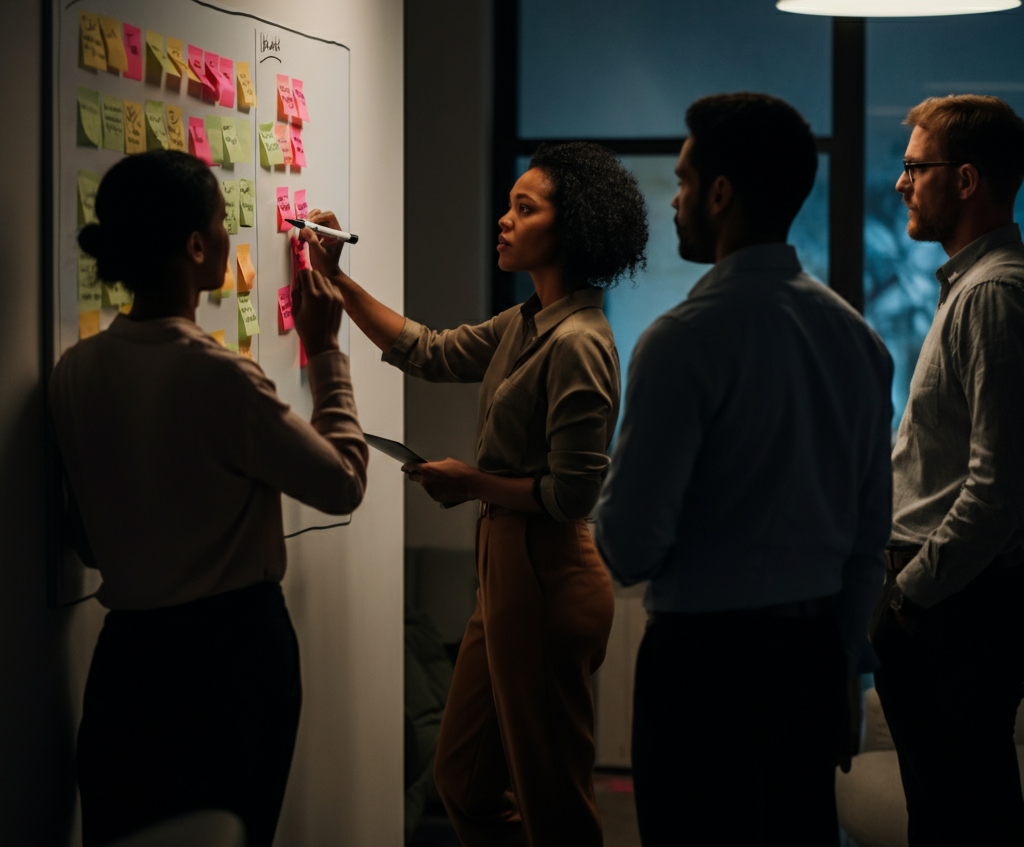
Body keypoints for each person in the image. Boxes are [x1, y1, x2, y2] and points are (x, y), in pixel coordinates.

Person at [300, 142, 648, 847]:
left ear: (571, 229)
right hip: (507, 577)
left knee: (556, 808)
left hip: (549, 577)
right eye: (508, 205)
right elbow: (429, 350)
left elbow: (576, 492)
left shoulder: (580, 341)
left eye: (525, 209)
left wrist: (471, 485)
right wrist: (334, 280)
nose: (504, 220)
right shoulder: (525, 322)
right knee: (461, 780)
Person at [595, 93, 894, 846]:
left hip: (704, 666)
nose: (677, 199)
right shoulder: (857, 340)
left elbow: (628, 546)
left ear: (721, 194)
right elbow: (869, 539)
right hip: (814, 657)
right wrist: (844, 670)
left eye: (686, 181)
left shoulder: (682, 341)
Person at [49, 150, 368, 847]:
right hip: (231, 660)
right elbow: (343, 481)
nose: (231, 238)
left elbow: (86, 538)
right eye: (224, 224)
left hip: (127, 661)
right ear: (196, 247)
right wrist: (324, 351)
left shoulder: (75, 372)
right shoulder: (222, 378)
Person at [871, 95, 1024, 846]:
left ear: (965, 180)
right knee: (945, 815)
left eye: (913, 167)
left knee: (963, 820)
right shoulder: (970, 286)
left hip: (954, 608)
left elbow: (997, 490)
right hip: (947, 604)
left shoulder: (993, 294)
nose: (901, 183)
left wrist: (910, 594)